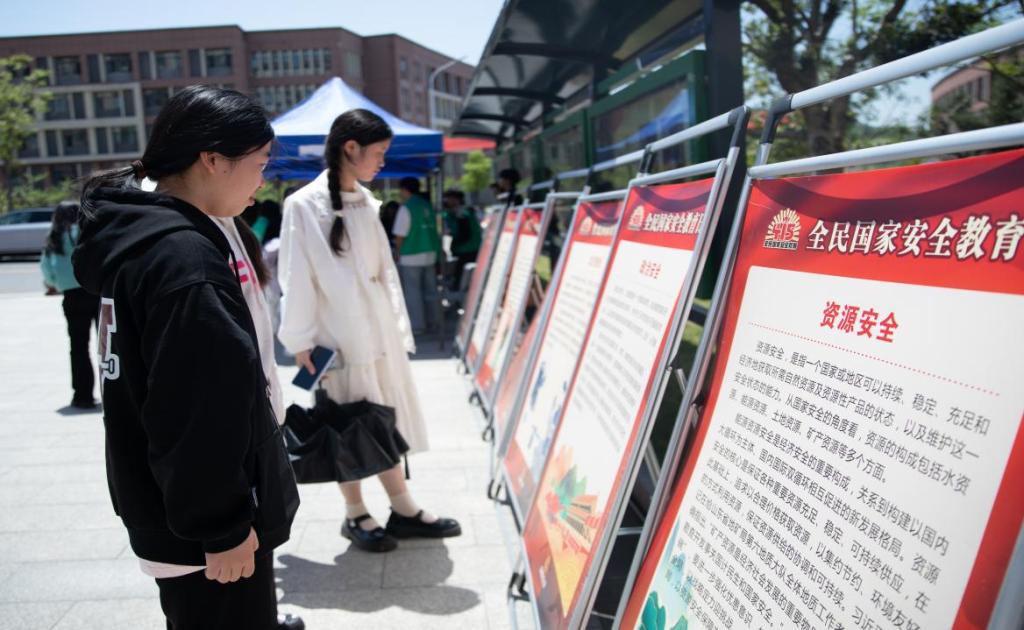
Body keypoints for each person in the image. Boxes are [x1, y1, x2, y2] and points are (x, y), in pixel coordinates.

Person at [72, 85, 301, 630]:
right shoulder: (183, 258)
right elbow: (197, 410)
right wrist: (223, 526)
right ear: (213, 160)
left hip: (163, 502)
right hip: (200, 529)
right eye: (259, 164)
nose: (263, 181)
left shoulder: (142, 237)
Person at [278, 108, 460, 553]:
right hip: (336, 340)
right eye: (378, 153)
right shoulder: (303, 205)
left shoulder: (365, 201)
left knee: (380, 421)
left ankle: (402, 507)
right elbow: (295, 279)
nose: (382, 162)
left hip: (378, 335)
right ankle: (356, 511)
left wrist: (396, 327)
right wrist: (301, 342)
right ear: (351, 148)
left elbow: (383, 274)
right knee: (347, 425)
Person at [41, 200, 100, 410]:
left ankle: (82, 395)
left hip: (72, 297)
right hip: (96, 292)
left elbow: (48, 272)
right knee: (109, 345)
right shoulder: (88, 233)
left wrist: (56, 283)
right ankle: (116, 392)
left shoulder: (54, 238)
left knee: (78, 347)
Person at [392, 176, 443, 334]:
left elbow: (400, 235)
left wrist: (397, 251)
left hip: (411, 255)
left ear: (404, 190)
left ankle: (418, 326)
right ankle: (435, 322)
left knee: (413, 292)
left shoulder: (406, 208)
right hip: (430, 252)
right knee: (431, 290)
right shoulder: (427, 205)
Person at [441, 189, 481, 290]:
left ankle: (460, 292)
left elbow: (461, 234)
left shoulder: (460, 213)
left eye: (448, 199)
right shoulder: (466, 211)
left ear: (456, 200)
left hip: (466, 250)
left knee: (461, 276)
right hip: (471, 248)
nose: (446, 201)